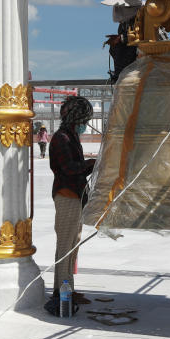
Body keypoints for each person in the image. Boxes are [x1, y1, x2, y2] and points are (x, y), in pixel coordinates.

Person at [46, 95, 95, 314]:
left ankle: (68, 288)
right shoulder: (61, 138)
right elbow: (69, 168)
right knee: (65, 245)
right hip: (66, 195)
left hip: (76, 195)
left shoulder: (71, 135)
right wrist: (92, 164)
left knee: (72, 244)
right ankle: (60, 292)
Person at [101, 0, 142, 83]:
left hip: (139, 72)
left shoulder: (145, 18)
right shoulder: (123, 25)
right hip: (126, 75)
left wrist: (122, 38)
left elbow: (147, 38)